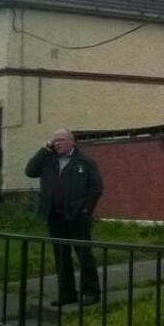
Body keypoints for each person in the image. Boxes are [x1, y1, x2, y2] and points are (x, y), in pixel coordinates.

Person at [25, 129, 103, 306]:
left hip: (77, 216)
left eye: (60, 140)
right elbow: (30, 171)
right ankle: (67, 293)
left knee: (84, 254)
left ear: (71, 142)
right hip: (55, 215)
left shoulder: (85, 162)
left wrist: (85, 210)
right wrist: (43, 149)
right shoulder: (48, 161)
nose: (56, 144)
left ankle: (91, 292)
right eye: (54, 141)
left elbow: (96, 188)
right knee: (61, 255)